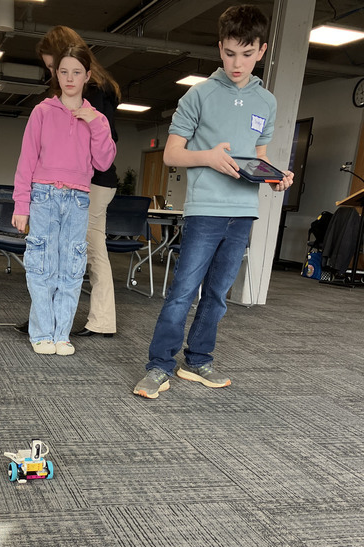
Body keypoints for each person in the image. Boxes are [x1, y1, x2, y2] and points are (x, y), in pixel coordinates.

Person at [133, 4, 293, 399]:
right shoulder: (199, 94)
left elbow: (258, 155)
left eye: (247, 53)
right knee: (183, 292)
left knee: (218, 295)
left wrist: (276, 176)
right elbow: (171, 154)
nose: (237, 62)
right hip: (206, 210)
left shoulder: (267, 102)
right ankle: (158, 366)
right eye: (229, 52)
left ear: (262, 50)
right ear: (219, 47)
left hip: (243, 213)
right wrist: (208, 157)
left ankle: (198, 359)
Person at [16, 26, 121, 338]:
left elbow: (106, 145)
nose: (55, 73)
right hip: (62, 185)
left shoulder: (95, 93)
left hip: (93, 183)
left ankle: (100, 321)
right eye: (54, 69)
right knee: (55, 253)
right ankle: (45, 322)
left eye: (53, 65)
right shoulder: (49, 107)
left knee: (84, 251)